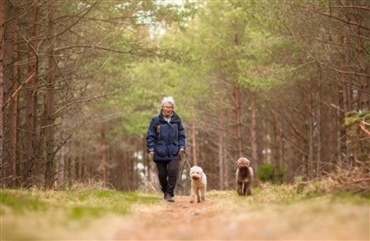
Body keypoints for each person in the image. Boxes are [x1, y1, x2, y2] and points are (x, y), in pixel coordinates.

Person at [146, 96, 186, 202]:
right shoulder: (156, 120)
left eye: (170, 107)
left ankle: (169, 193)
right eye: (166, 107)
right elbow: (150, 135)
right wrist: (151, 148)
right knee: (162, 174)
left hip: (174, 151)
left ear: (173, 108)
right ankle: (165, 190)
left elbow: (181, 135)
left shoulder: (177, 120)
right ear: (162, 107)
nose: (168, 109)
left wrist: (182, 147)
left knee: (173, 172)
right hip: (160, 151)